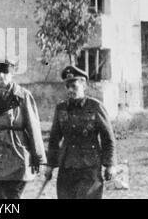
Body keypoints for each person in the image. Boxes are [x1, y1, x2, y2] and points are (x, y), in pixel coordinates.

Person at [0, 59, 46, 199]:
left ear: (12, 74)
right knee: (0, 195)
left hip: (17, 152)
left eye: (5, 72)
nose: (1, 76)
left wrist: (39, 157)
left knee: (13, 195)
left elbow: (34, 127)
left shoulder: (23, 96)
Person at [44, 65, 117, 199]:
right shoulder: (61, 109)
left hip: (90, 168)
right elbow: (54, 139)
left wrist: (110, 164)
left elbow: (108, 138)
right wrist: (50, 165)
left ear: (84, 85)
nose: (70, 90)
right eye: (68, 87)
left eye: (74, 86)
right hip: (66, 167)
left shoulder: (95, 107)